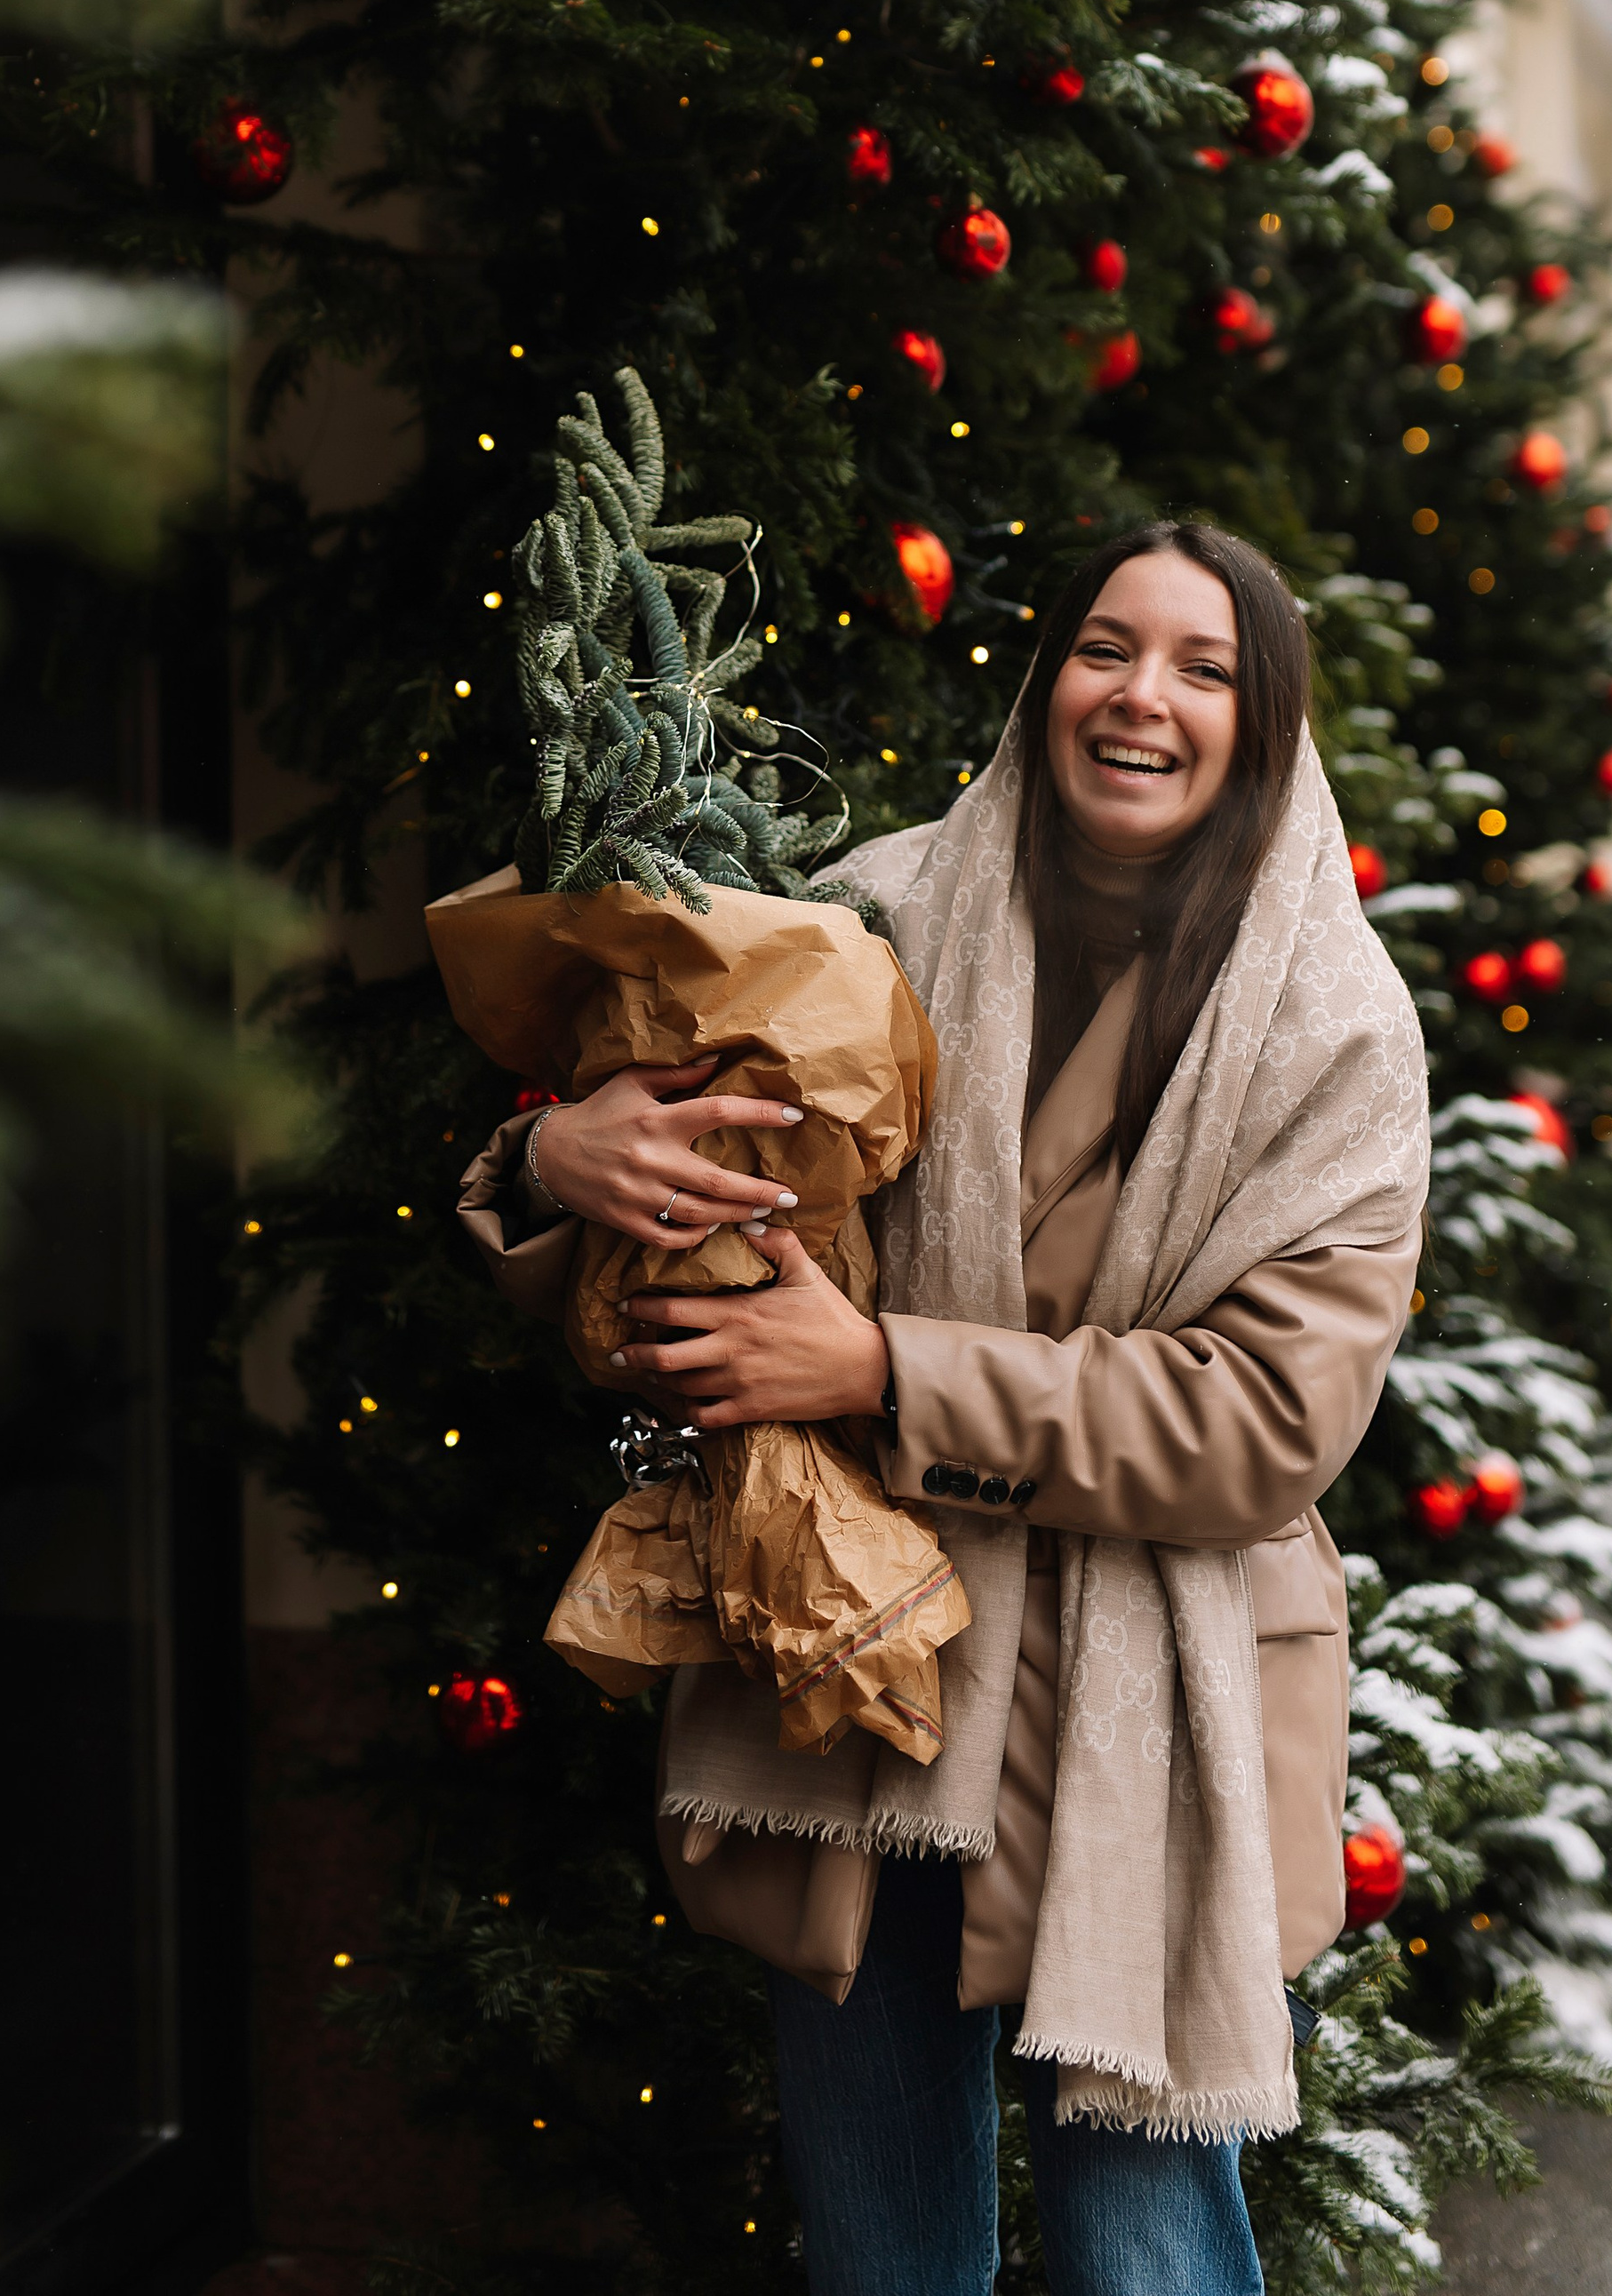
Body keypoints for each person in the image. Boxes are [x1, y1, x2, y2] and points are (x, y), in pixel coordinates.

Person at [457, 522, 1429, 2296]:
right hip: (854, 1665)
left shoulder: (1329, 1028)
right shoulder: (864, 922)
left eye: (1202, 667)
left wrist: (885, 1371)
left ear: (1264, 724)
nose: (1142, 695)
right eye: (1102, 648)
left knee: (1147, 2261)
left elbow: (1263, 1422)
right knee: (879, 2258)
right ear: (1038, 678)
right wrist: (555, 1155)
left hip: (1151, 1705)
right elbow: (670, 1276)